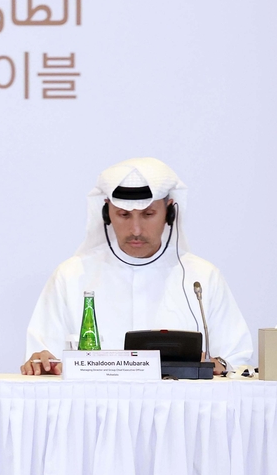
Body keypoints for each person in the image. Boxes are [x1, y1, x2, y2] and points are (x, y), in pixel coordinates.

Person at [22, 157, 251, 375]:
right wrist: (43, 364)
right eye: (123, 215)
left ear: (169, 212)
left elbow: (237, 360)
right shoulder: (71, 276)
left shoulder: (202, 278)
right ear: (106, 212)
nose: (136, 230)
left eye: (148, 214)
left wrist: (220, 364)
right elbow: (46, 358)